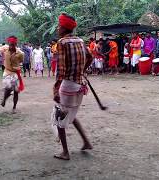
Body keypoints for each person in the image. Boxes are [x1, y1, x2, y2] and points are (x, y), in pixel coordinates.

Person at [53, 13, 93, 161]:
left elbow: (61, 70)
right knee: (71, 114)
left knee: (59, 116)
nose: (58, 28)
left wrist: (56, 89)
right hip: (80, 85)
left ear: (64, 27)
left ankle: (65, 152)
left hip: (68, 85)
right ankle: (86, 142)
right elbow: (90, 57)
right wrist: (83, 70)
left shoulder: (62, 43)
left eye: (59, 25)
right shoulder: (81, 41)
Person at [1, 36, 24, 114]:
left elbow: (21, 61)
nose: (11, 46)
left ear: (16, 44)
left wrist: (16, 65)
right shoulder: (5, 49)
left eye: (13, 45)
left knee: (16, 91)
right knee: (8, 87)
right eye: (10, 44)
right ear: (8, 44)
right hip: (7, 71)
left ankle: (14, 107)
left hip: (15, 73)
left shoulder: (20, 53)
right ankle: (4, 99)